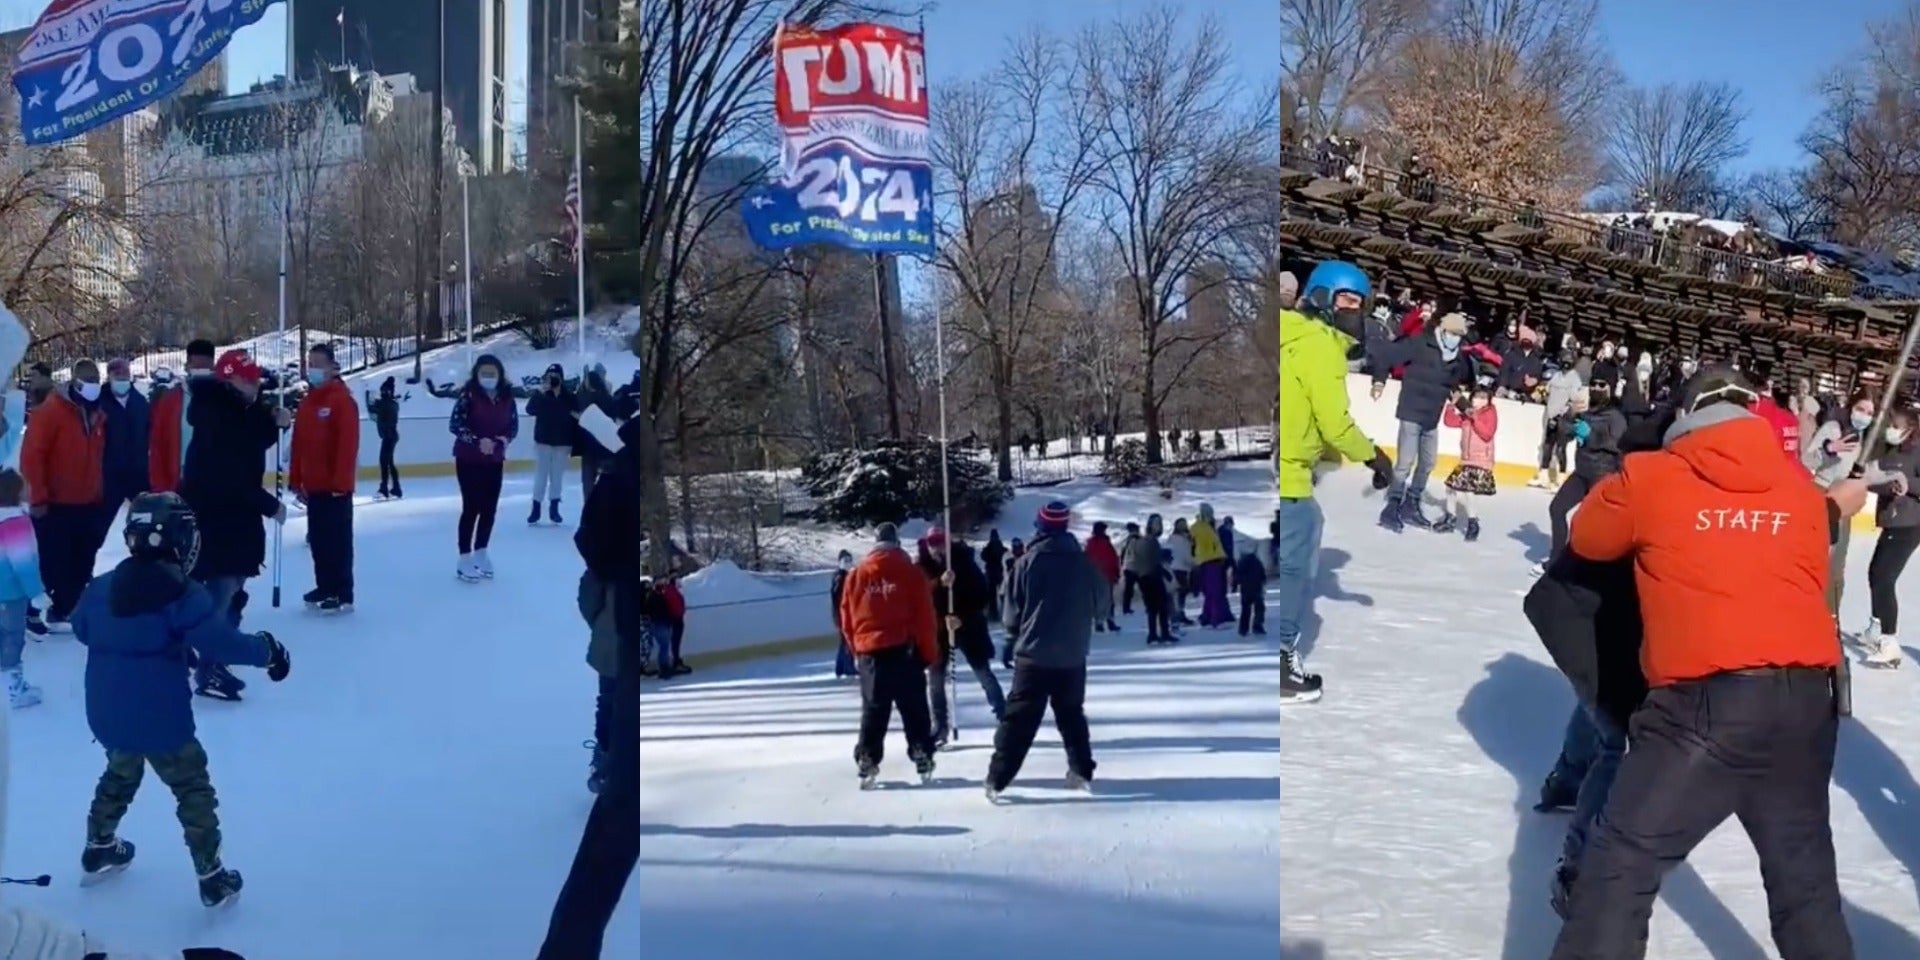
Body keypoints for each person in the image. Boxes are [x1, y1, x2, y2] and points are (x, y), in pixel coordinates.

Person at [1547, 366, 1862, 959]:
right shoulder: (1799, 490)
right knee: (1806, 890)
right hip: (1806, 705)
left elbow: (1586, 539)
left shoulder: (1653, 476)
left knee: (1619, 871)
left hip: (1704, 707)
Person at [71, 492, 290, 909]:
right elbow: (222, 644)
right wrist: (267, 650)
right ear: (181, 540)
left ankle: (99, 845)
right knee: (191, 787)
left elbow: (82, 628)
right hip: (161, 720)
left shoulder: (101, 588)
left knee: (121, 770)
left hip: (106, 712)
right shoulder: (183, 596)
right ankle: (211, 876)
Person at [540, 419, 640, 959]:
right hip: (620, 623)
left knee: (611, 835)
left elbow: (590, 541)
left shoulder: (622, 467)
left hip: (622, 624)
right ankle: (607, 758)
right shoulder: (624, 467)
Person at [1279, 259, 1394, 705]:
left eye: (1359, 304)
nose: (1354, 311)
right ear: (1323, 299)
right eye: (1346, 300)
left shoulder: (1289, 332)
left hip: (1287, 465)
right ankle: (1280, 658)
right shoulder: (1321, 344)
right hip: (1288, 472)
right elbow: (1333, 422)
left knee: (1303, 532)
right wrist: (1375, 458)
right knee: (1296, 554)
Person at [175, 350, 289, 701]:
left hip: (232, 521)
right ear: (230, 379)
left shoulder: (236, 408)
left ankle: (202, 653)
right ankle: (208, 663)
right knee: (221, 596)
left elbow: (252, 438)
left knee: (229, 593)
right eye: (248, 378)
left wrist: (275, 421)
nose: (256, 384)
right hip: (214, 521)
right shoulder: (215, 417)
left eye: (256, 378)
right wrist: (270, 506)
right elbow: (230, 476)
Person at [986, 500, 1103, 801]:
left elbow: (1010, 607)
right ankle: (1081, 770)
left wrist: (1010, 639)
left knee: (1020, 718)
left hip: (1034, 654)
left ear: (1040, 527)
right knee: (1071, 715)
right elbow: (1102, 603)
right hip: (1073, 655)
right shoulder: (1083, 562)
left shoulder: (1027, 562)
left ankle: (998, 778)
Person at [838, 522, 940, 788]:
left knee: (873, 710)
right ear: (897, 543)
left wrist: (857, 651)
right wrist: (928, 653)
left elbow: (847, 619)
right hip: (904, 651)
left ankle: (868, 757)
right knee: (914, 707)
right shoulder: (911, 573)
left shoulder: (856, 575)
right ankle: (921, 751)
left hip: (870, 653)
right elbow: (925, 619)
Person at [1369, 311, 1476, 529]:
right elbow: (1387, 356)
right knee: (1405, 463)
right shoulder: (1420, 344)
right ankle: (1392, 506)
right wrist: (1379, 381)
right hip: (1411, 411)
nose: (1455, 338)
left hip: (1431, 417)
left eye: (1459, 335)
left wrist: (1464, 407)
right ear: (1443, 330)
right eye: (1453, 333)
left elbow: (1451, 387)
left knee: (1428, 463)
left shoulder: (1456, 358)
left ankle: (1412, 503)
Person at [20, 360, 107, 629]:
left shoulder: (97, 412)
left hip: (87, 501)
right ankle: (30, 612)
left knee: (82, 559)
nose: (93, 387)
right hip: (55, 503)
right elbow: (33, 457)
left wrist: (98, 490)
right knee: (51, 563)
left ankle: (66, 609)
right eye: (87, 381)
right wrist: (39, 498)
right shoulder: (51, 411)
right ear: (75, 382)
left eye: (96, 381)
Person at [916, 528, 1006, 747]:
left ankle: (1005, 717)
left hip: (968, 627)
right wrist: (939, 583)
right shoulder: (921, 566)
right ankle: (940, 726)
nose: (937, 548)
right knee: (935, 680)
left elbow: (981, 595)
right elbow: (918, 595)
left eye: (940, 542)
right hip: (937, 630)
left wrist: (961, 618)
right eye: (933, 543)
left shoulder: (964, 561)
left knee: (983, 672)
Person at [288, 345, 358, 612]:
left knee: (337, 540)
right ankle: (325, 586)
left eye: (318, 363)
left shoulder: (341, 400)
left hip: (335, 487)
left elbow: (347, 445)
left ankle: (342, 591)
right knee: (318, 540)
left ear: (331, 367)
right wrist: (297, 479)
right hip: (313, 485)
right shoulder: (308, 402)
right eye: (310, 363)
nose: (313, 369)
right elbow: (299, 444)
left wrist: (341, 483)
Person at [1537, 379, 1627, 577]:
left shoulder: (1615, 417)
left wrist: (1591, 436)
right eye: (1593, 385)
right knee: (1557, 508)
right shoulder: (1586, 411)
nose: (1596, 389)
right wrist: (1570, 416)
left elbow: (1617, 445)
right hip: (1582, 472)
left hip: (1604, 475)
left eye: (1602, 385)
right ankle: (1557, 560)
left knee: (1593, 522)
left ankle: (1595, 567)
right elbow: (1564, 435)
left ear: (1610, 389)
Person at [449, 355, 520, 582]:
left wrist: (501, 441)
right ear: (477, 374)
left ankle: (481, 550)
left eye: (493, 374)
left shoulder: (508, 398)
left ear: (500, 374)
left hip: (494, 460)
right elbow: (456, 424)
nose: (488, 378)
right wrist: (477, 440)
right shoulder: (468, 395)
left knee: (489, 508)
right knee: (472, 506)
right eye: (484, 374)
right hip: (469, 459)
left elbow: (514, 426)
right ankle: (464, 557)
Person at [1859, 405, 1920, 668]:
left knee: (1884, 578)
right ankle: (1875, 625)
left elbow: (1909, 483)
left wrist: (1908, 485)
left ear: (1910, 428)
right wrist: (1884, 484)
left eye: (1895, 425)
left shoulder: (1917, 452)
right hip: (1890, 519)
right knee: (1875, 573)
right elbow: (1874, 479)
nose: (1890, 430)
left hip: (1910, 523)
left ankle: (1889, 641)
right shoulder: (1888, 449)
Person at [1803, 390, 1875, 612]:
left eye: (1869, 412)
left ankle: (1830, 615)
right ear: (1851, 406)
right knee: (1810, 558)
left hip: (1845, 499)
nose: (1864, 416)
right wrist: (1829, 449)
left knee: (1836, 566)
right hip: (1821, 492)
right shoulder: (1833, 428)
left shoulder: (1866, 436)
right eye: (1860, 409)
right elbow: (1806, 458)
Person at [148, 339, 218, 494]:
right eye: (196, 366)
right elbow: (157, 446)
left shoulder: (225, 399)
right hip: (180, 484)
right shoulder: (170, 401)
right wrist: (160, 487)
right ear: (187, 366)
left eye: (205, 366)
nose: (200, 370)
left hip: (216, 487)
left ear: (213, 367)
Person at [0, 470, 42, 709]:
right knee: (13, 637)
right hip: (11, 593)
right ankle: (15, 689)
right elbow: (23, 564)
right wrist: (37, 592)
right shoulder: (16, 523)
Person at [1438, 383, 1499, 540]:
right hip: (1466, 460)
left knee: (1467, 490)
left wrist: (1474, 417)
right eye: (1477, 397)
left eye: (1484, 398)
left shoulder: (1490, 413)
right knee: (1450, 487)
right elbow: (1450, 422)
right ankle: (1450, 518)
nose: (1479, 400)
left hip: (1481, 460)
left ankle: (1473, 522)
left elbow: (1487, 433)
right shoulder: (1467, 414)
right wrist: (1451, 405)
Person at [98, 358, 149, 524]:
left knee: (144, 521)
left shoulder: (140, 402)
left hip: (138, 474)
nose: (121, 377)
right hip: (109, 476)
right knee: (100, 526)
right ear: (109, 375)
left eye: (125, 373)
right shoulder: (99, 403)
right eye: (116, 373)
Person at [526, 363, 575, 525]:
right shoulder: (541, 395)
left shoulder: (568, 397)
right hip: (543, 442)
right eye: (550, 377)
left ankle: (554, 507)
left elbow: (577, 413)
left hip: (562, 443)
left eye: (556, 377)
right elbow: (530, 409)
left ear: (561, 378)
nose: (553, 380)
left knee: (557, 477)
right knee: (541, 475)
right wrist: (540, 392)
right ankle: (536, 507)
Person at [1531, 354, 1583, 489]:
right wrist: (1539, 394)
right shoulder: (1556, 375)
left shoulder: (1574, 379)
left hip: (1564, 417)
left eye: (1569, 361)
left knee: (1560, 448)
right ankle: (1543, 475)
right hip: (1551, 415)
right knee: (1547, 446)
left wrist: (1563, 414)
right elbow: (1547, 390)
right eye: (1564, 360)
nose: (1566, 363)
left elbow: (1574, 399)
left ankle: (1560, 479)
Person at [574, 363, 620, 503]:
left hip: (591, 448)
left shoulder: (585, 399)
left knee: (589, 485)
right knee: (604, 484)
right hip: (603, 447)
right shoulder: (608, 399)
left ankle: (590, 513)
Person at [1128, 514, 1172, 644]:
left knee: (1152, 607)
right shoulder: (1151, 541)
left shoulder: (1140, 542)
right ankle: (1164, 633)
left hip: (1143, 577)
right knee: (1162, 606)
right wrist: (1165, 571)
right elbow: (1154, 560)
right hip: (1153, 577)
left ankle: (1153, 634)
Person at [1190, 504, 1230, 627]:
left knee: (1211, 591)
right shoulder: (1201, 527)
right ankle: (1215, 618)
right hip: (1209, 560)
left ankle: (1207, 616)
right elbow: (1203, 544)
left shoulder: (1206, 526)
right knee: (1214, 591)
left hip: (1212, 560)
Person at [364, 376, 404, 499]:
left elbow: (372, 407)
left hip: (389, 437)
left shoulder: (386, 404)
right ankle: (395, 488)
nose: (381, 393)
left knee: (384, 462)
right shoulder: (391, 403)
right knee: (389, 463)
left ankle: (384, 489)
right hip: (390, 436)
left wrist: (367, 396)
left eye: (383, 391)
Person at [1084, 521, 1121, 632]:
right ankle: (1104, 621)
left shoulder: (1092, 543)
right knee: (1105, 599)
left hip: (1099, 574)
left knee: (1102, 600)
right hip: (1104, 574)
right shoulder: (1102, 543)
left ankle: (1103, 621)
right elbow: (1112, 558)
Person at [830, 550, 856, 678]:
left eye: (850, 560)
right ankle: (847, 666)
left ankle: (840, 667)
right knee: (846, 640)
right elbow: (838, 596)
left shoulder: (845, 576)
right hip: (841, 613)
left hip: (843, 613)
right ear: (839, 562)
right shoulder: (840, 577)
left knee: (844, 640)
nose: (848, 563)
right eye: (845, 561)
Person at [1233, 542, 1266, 636]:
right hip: (1257, 588)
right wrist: (1263, 584)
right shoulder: (1257, 562)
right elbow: (1262, 575)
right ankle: (1257, 626)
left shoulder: (1241, 563)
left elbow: (1237, 576)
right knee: (1259, 608)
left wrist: (1235, 585)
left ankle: (1243, 628)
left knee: (1245, 609)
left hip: (1245, 589)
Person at [658, 573, 688, 676]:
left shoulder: (672, 590)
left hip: (676, 618)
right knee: (674, 642)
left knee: (675, 642)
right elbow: (674, 605)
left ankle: (676, 660)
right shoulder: (670, 591)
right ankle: (675, 661)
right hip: (675, 619)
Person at [1166, 517, 1195, 625]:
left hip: (1174, 567)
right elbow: (1186, 556)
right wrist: (1194, 563)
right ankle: (1179, 614)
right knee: (1181, 593)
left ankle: (1175, 614)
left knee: (1177, 593)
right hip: (1181, 568)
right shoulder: (1183, 540)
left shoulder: (1172, 538)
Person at [980, 529, 1007, 621]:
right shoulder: (1000, 546)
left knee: (992, 596)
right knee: (1002, 595)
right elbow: (1005, 554)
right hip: (999, 572)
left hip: (991, 573)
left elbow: (983, 557)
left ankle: (993, 614)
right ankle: (1004, 613)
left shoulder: (988, 547)